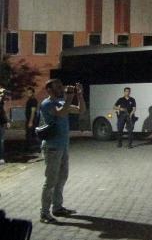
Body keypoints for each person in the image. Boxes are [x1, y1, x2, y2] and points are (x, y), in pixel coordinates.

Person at [40, 79, 86, 223]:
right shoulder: (47, 103)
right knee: (51, 181)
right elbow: (60, 113)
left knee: (62, 178)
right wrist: (69, 97)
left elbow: (81, 110)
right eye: (57, 87)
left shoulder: (61, 101)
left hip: (63, 146)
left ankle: (57, 207)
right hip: (52, 147)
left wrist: (79, 95)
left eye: (61, 86)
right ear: (48, 90)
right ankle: (44, 213)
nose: (61, 88)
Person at [25, 87, 39, 152]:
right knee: (31, 134)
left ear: (33, 93)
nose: (28, 94)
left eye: (29, 93)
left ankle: (34, 148)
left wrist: (30, 122)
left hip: (32, 120)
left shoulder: (33, 100)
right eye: (27, 93)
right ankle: (34, 148)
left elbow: (33, 111)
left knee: (31, 135)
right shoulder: (30, 100)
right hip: (30, 119)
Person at [0, 86, 9, 165]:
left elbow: (3, 112)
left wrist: (7, 121)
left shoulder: (2, 102)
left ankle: (1, 158)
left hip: (1, 123)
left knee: (1, 141)